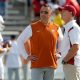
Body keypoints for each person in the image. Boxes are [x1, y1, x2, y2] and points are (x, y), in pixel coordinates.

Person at [17, 4, 63, 80]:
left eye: (46, 12)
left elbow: (62, 40)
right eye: (41, 12)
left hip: (51, 65)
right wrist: (26, 56)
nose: (43, 14)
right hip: (37, 66)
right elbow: (19, 41)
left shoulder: (56, 27)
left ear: (50, 14)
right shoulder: (32, 27)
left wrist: (59, 53)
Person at [60, 5, 80, 80]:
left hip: (71, 64)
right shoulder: (70, 27)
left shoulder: (73, 27)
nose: (61, 13)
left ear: (71, 13)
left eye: (64, 11)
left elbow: (75, 47)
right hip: (70, 64)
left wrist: (65, 60)